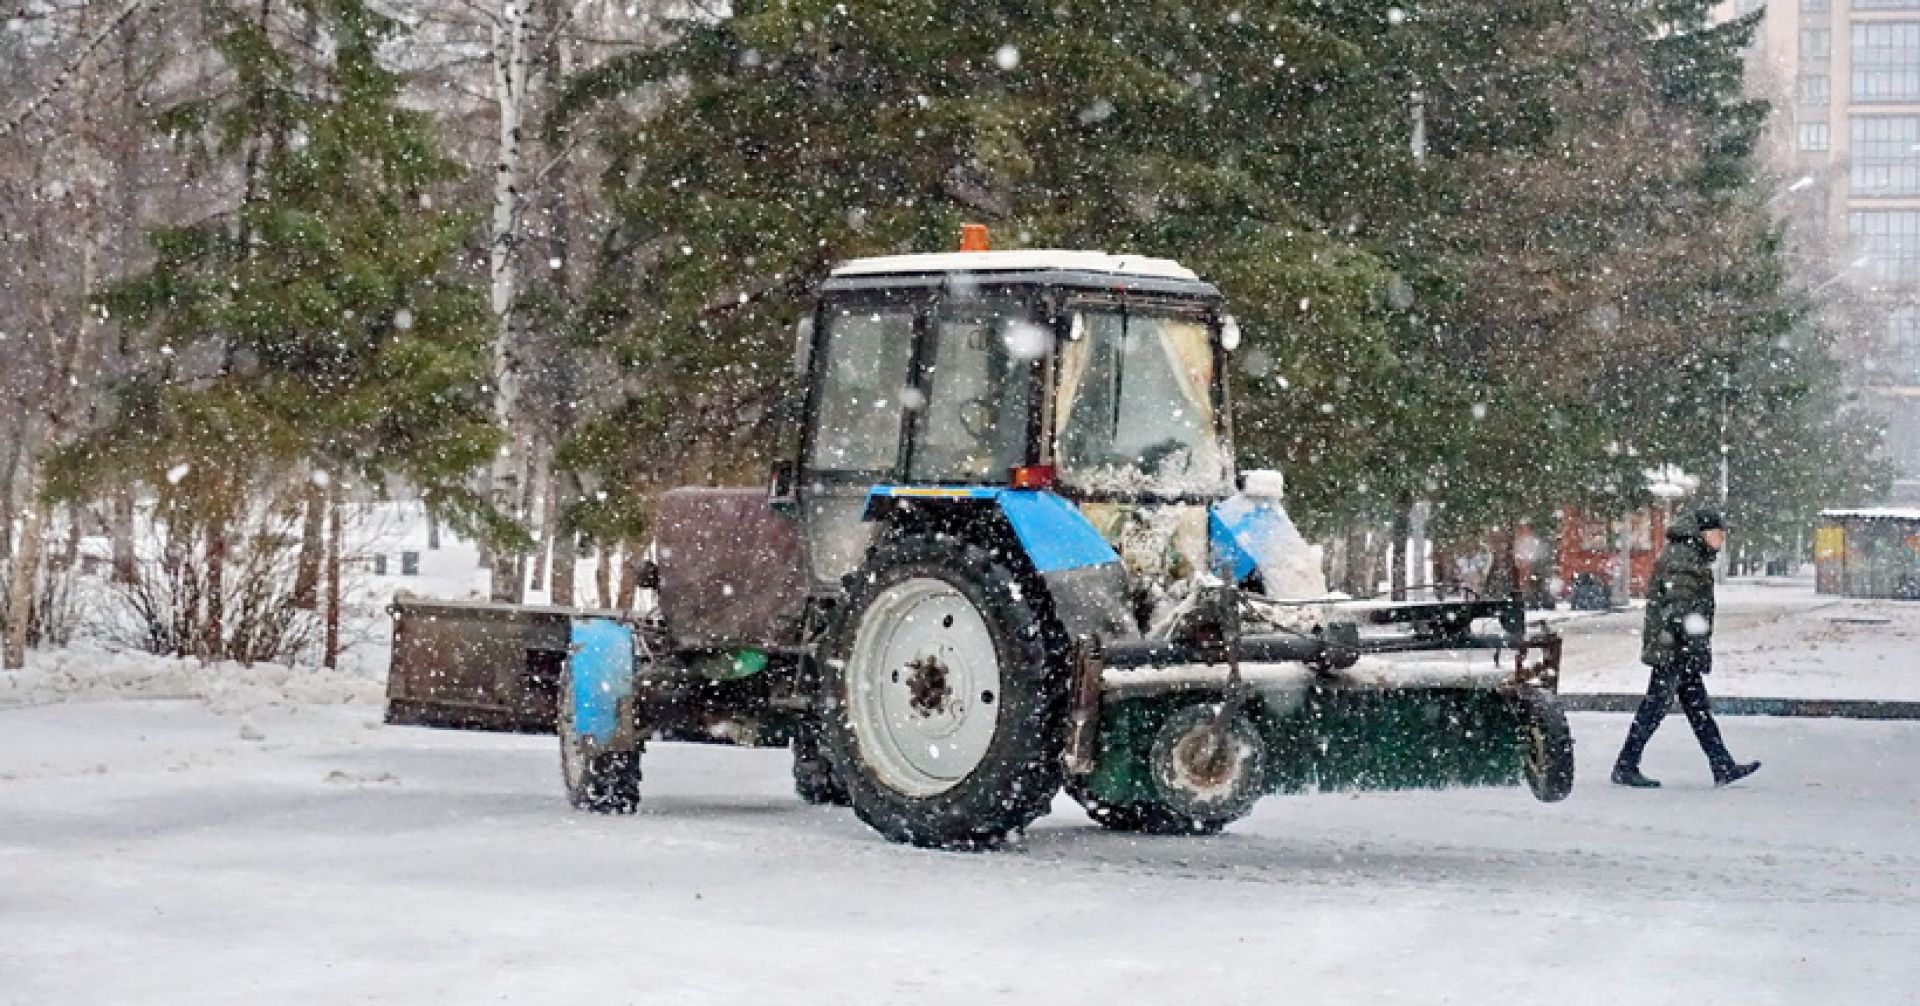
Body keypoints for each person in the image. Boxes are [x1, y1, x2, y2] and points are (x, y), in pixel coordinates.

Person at [1611, 509, 1762, 789]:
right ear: (1703, 534)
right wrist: (1691, 647)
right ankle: (1625, 765)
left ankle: (1722, 764)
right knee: (1656, 708)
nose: (1722, 539)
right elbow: (1681, 608)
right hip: (1674, 650)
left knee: (1697, 709)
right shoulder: (1683, 559)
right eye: (1719, 533)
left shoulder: (1689, 555)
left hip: (1678, 648)